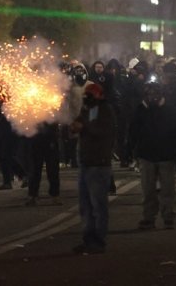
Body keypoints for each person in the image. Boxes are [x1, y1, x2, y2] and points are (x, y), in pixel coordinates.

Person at [129, 82, 176, 230]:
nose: (152, 97)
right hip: (147, 155)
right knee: (148, 190)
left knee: (167, 189)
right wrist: (133, 150)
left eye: (155, 94)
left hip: (165, 155)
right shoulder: (141, 110)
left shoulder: (169, 110)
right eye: (149, 94)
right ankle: (149, 217)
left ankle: (167, 217)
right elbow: (133, 131)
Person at [70, 82, 116, 255]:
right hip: (86, 161)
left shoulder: (105, 111)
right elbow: (77, 126)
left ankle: (99, 240)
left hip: (99, 162)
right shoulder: (87, 109)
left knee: (98, 205)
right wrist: (74, 127)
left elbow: (103, 131)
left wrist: (84, 127)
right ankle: (88, 239)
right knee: (86, 206)